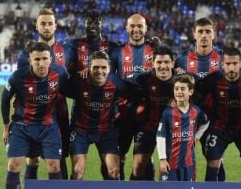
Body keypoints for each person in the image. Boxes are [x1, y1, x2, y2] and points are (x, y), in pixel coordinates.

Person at [0, 42, 68, 189]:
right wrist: (6, 127)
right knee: (14, 164)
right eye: (37, 59)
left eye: (45, 58)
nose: (41, 63)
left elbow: (73, 88)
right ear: (30, 60)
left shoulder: (60, 72)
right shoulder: (18, 77)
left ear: (50, 59)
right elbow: (5, 99)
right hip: (22, 127)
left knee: (54, 166)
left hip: (48, 127)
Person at [64, 10, 121, 180]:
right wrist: (76, 75)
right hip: (82, 114)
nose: (93, 25)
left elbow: (129, 69)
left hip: (106, 118)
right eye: (90, 22)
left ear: (102, 24)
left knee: (112, 170)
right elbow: (61, 69)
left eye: (97, 22)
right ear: (85, 24)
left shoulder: (113, 47)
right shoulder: (74, 45)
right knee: (77, 170)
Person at [197, 46, 241, 182]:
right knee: (212, 165)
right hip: (219, 128)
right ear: (222, 64)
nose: (231, 68)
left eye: (235, 64)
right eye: (228, 64)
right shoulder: (212, 79)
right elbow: (195, 96)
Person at [17, 7, 69, 180]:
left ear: (55, 26)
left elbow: (72, 79)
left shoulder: (67, 50)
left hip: (60, 113)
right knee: (32, 159)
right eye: (43, 24)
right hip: (34, 117)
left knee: (58, 160)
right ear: (36, 26)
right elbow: (20, 85)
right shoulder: (26, 54)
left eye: (50, 24)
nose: (46, 27)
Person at [175, 17, 226, 181]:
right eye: (200, 32)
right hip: (189, 118)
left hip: (215, 118)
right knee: (184, 155)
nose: (204, 35)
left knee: (213, 155)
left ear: (214, 35)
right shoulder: (182, 59)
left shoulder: (223, 59)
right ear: (194, 34)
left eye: (208, 32)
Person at [64, 51, 128, 180]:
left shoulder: (117, 84)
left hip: (106, 131)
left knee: (114, 171)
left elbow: (135, 95)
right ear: (89, 68)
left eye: (103, 67)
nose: (100, 71)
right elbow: (56, 88)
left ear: (109, 69)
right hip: (80, 131)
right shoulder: (78, 82)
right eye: (96, 67)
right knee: (78, 171)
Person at [114, 14, 160, 180]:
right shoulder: (117, 52)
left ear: (145, 28)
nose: (136, 29)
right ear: (127, 28)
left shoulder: (155, 50)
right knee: (117, 158)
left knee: (142, 161)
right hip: (122, 113)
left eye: (140, 26)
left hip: (147, 114)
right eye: (132, 26)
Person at [128, 46, 177, 180]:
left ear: (173, 63)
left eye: (167, 62)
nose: (163, 66)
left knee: (170, 169)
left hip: (171, 131)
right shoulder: (143, 80)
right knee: (138, 166)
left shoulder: (181, 81)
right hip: (147, 128)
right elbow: (121, 86)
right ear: (152, 64)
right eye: (159, 62)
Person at [156, 74, 209, 181]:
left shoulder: (196, 111)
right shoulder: (167, 113)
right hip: (170, 163)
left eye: (182, 89)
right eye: (176, 89)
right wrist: (162, 159)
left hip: (189, 164)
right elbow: (160, 136)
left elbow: (206, 122)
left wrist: (197, 136)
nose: (179, 92)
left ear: (190, 92)